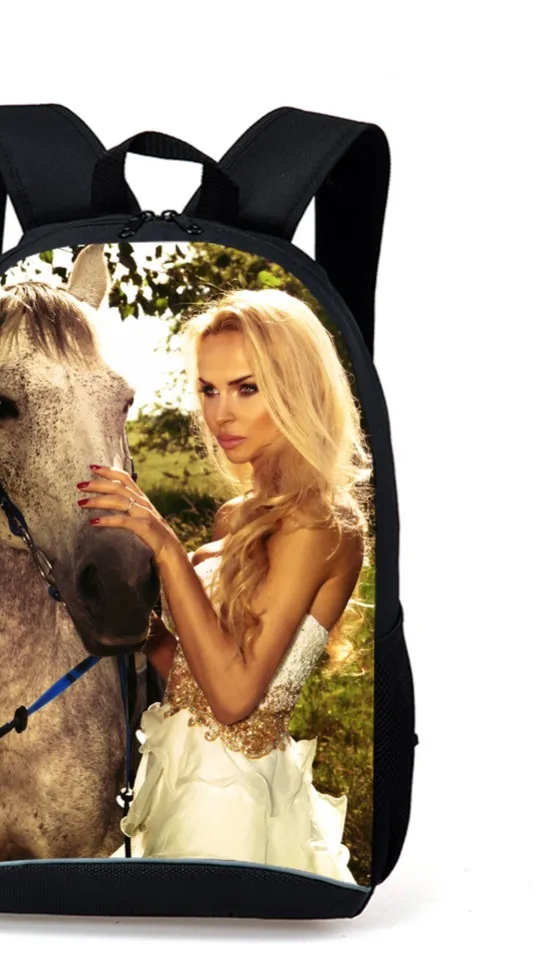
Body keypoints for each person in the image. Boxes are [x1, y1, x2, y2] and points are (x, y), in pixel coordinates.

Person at [78, 287, 372, 883]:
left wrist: (166, 548)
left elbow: (235, 700)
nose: (221, 415)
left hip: (233, 803)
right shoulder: (236, 518)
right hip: (176, 779)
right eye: (209, 390)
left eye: (246, 388)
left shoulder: (319, 523)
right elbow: (194, 674)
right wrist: (137, 626)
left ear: (297, 388)